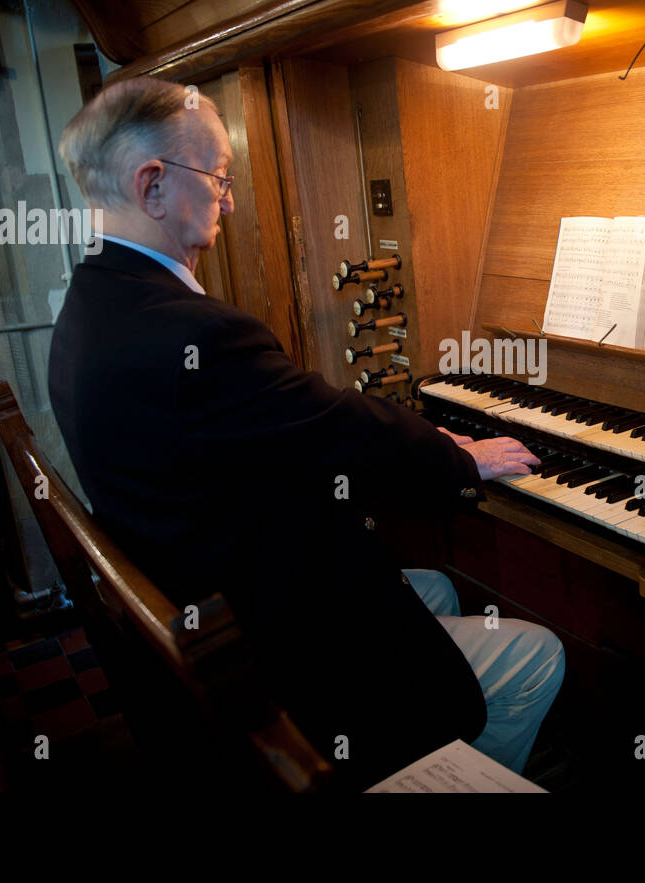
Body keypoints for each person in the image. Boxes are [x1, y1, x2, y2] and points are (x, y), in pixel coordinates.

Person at [48, 77, 564, 788]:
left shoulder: (87, 305)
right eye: (220, 179)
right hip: (269, 651)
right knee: (538, 653)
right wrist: (458, 454)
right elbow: (335, 422)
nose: (229, 201)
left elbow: (292, 425)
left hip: (205, 600)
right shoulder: (186, 330)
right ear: (153, 185)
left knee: (436, 590)